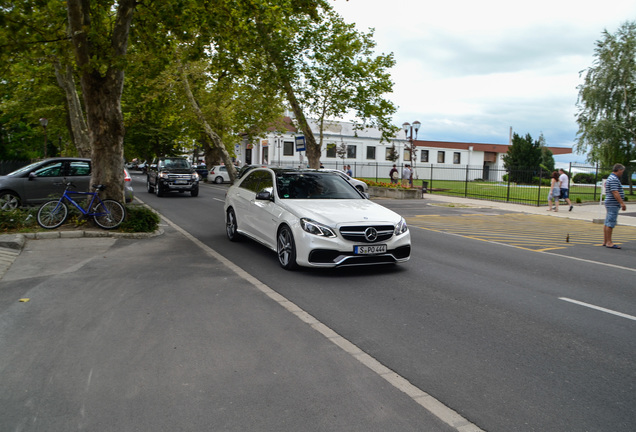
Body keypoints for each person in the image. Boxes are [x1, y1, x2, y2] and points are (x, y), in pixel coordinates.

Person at [603, 163, 627, 249]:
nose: (622, 173)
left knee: (607, 221)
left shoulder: (612, 178)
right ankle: (609, 242)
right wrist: (622, 203)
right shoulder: (613, 179)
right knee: (611, 222)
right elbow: (615, 192)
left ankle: (606, 241)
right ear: (619, 170)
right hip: (613, 203)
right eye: (622, 171)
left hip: (610, 202)